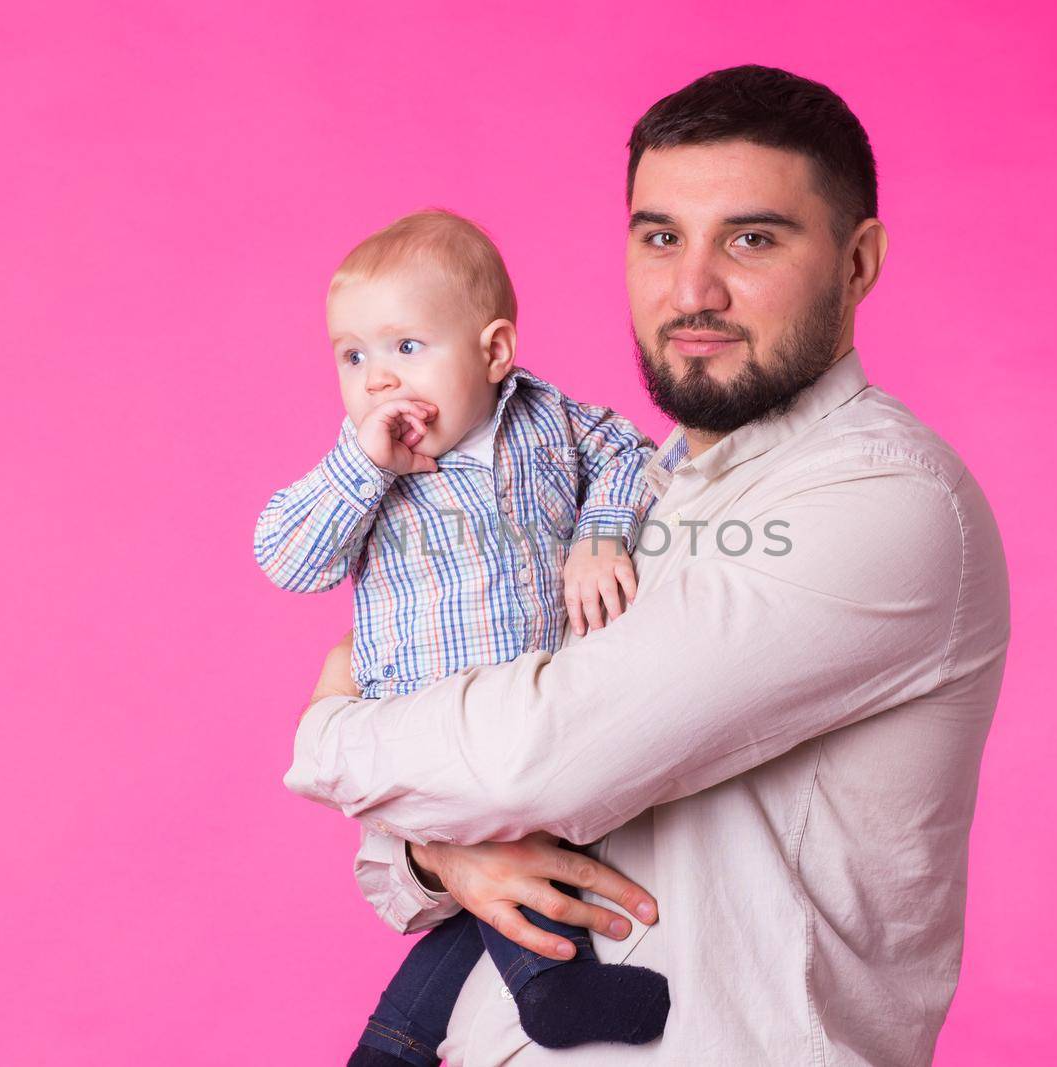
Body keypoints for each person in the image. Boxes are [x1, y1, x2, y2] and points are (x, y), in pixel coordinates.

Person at [289, 65, 1011, 1065]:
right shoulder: (623, 498)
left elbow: (530, 756)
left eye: (752, 238)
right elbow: (407, 855)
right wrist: (436, 847)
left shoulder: (882, 499)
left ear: (858, 260)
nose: (692, 289)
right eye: (660, 236)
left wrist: (334, 735)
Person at [254, 208, 673, 1065]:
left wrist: (600, 531)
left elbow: (632, 455)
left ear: (492, 352)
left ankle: (392, 1042)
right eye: (353, 354)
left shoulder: (551, 423)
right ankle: (553, 986)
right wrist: (360, 469)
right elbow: (286, 558)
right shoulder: (364, 469)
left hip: (540, 717)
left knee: (513, 875)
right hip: (429, 733)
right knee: (509, 859)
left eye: (407, 347)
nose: (377, 377)